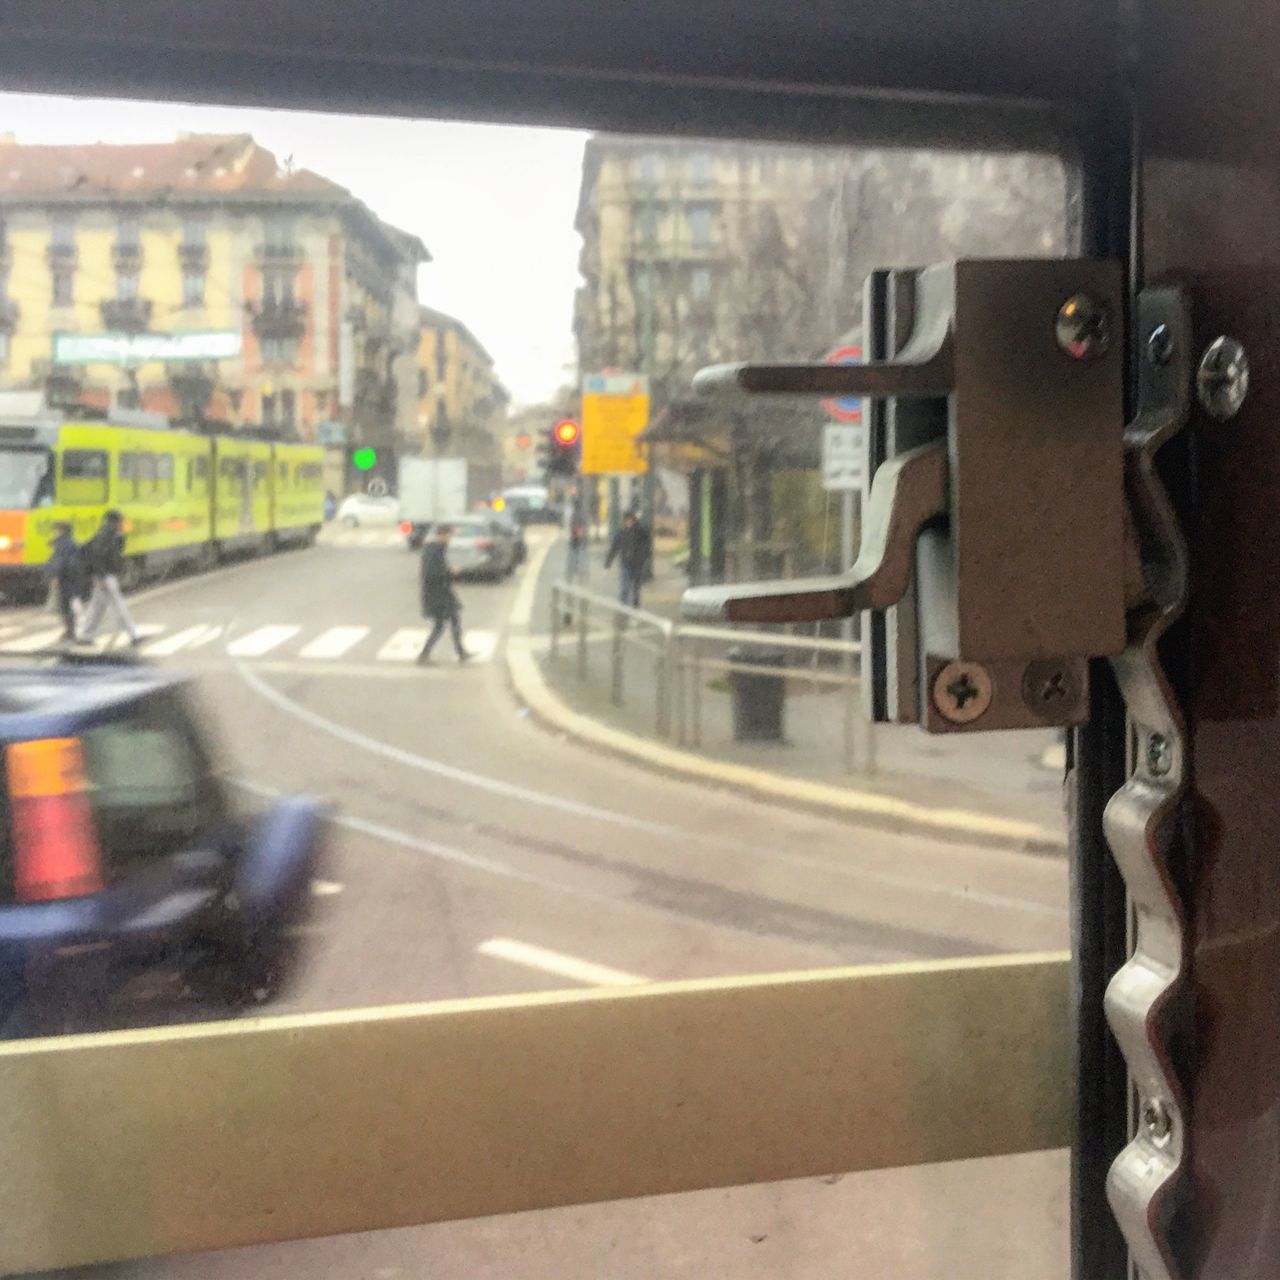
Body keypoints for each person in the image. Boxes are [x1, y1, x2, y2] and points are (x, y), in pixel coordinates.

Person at [75, 510, 141, 646]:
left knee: (97, 608)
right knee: (118, 605)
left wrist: (122, 536)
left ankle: (86, 636)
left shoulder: (110, 534)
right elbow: (97, 557)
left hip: (104, 576)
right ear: (117, 522)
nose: (124, 524)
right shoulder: (105, 535)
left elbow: (117, 552)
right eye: (122, 521)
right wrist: (101, 577)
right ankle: (133, 634)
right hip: (106, 577)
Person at [416, 523, 473, 664]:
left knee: (451, 621)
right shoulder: (432, 551)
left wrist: (449, 573)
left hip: (442, 592)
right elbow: (431, 574)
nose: (450, 538)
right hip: (436, 594)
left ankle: (461, 652)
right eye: (448, 535)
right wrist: (450, 573)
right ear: (442, 535)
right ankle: (425, 655)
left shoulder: (437, 550)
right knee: (441, 625)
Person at [45, 520, 86, 641]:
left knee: (65, 606)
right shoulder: (71, 543)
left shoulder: (63, 545)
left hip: (65, 579)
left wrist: (55, 576)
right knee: (69, 604)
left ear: (61, 531)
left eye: (56, 530)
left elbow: (59, 562)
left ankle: (70, 631)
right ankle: (71, 630)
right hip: (72, 578)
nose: (55, 532)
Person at [604, 509, 651, 607]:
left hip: (636, 564)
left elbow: (646, 546)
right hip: (625, 564)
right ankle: (623, 609)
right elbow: (614, 548)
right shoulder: (621, 533)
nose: (628, 522)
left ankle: (634, 609)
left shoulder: (640, 531)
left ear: (633, 520)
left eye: (630, 520)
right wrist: (608, 563)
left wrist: (642, 557)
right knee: (624, 588)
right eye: (627, 520)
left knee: (635, 589)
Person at [566, 511, 587, 582]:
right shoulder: (579, 518)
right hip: (576, 543)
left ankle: (577, 575)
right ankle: (576, 575)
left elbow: (578, 531)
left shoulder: (576, 517)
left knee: (576, 560)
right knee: (576, 559)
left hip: (577, 543)